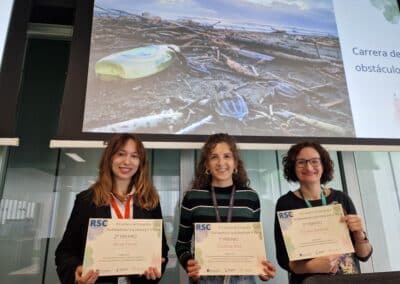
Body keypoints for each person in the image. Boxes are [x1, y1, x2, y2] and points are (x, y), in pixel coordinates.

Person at [55, 134, 169, 284]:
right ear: (109, 158)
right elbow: (65, 252)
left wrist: (155, 270)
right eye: (121, 154)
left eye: (134, 156)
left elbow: (162, 250)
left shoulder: (150, 200)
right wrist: (75, 272)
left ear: (140, 163)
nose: (127, 161)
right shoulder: (86, 200)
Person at [175, 133, 276, 283]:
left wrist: (260, 268)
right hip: (205, 278)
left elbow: (252, 244)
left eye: (227, 156)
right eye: (214, 157)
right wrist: (189, 264)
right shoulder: (192, 198)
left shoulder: (250, 197)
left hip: (243, 278)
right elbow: (181, 244)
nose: (221, 162)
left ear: (235, 163)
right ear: (206, 165)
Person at [274, 141, 373, 284]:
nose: (308, 167)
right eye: (301, 162)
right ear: (293, 167)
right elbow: (284, 259)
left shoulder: (341, 198)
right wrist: (310, 267)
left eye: (314, 161)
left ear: (323, 164)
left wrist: (359, 234)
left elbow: (364, 255)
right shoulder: (285, 203)